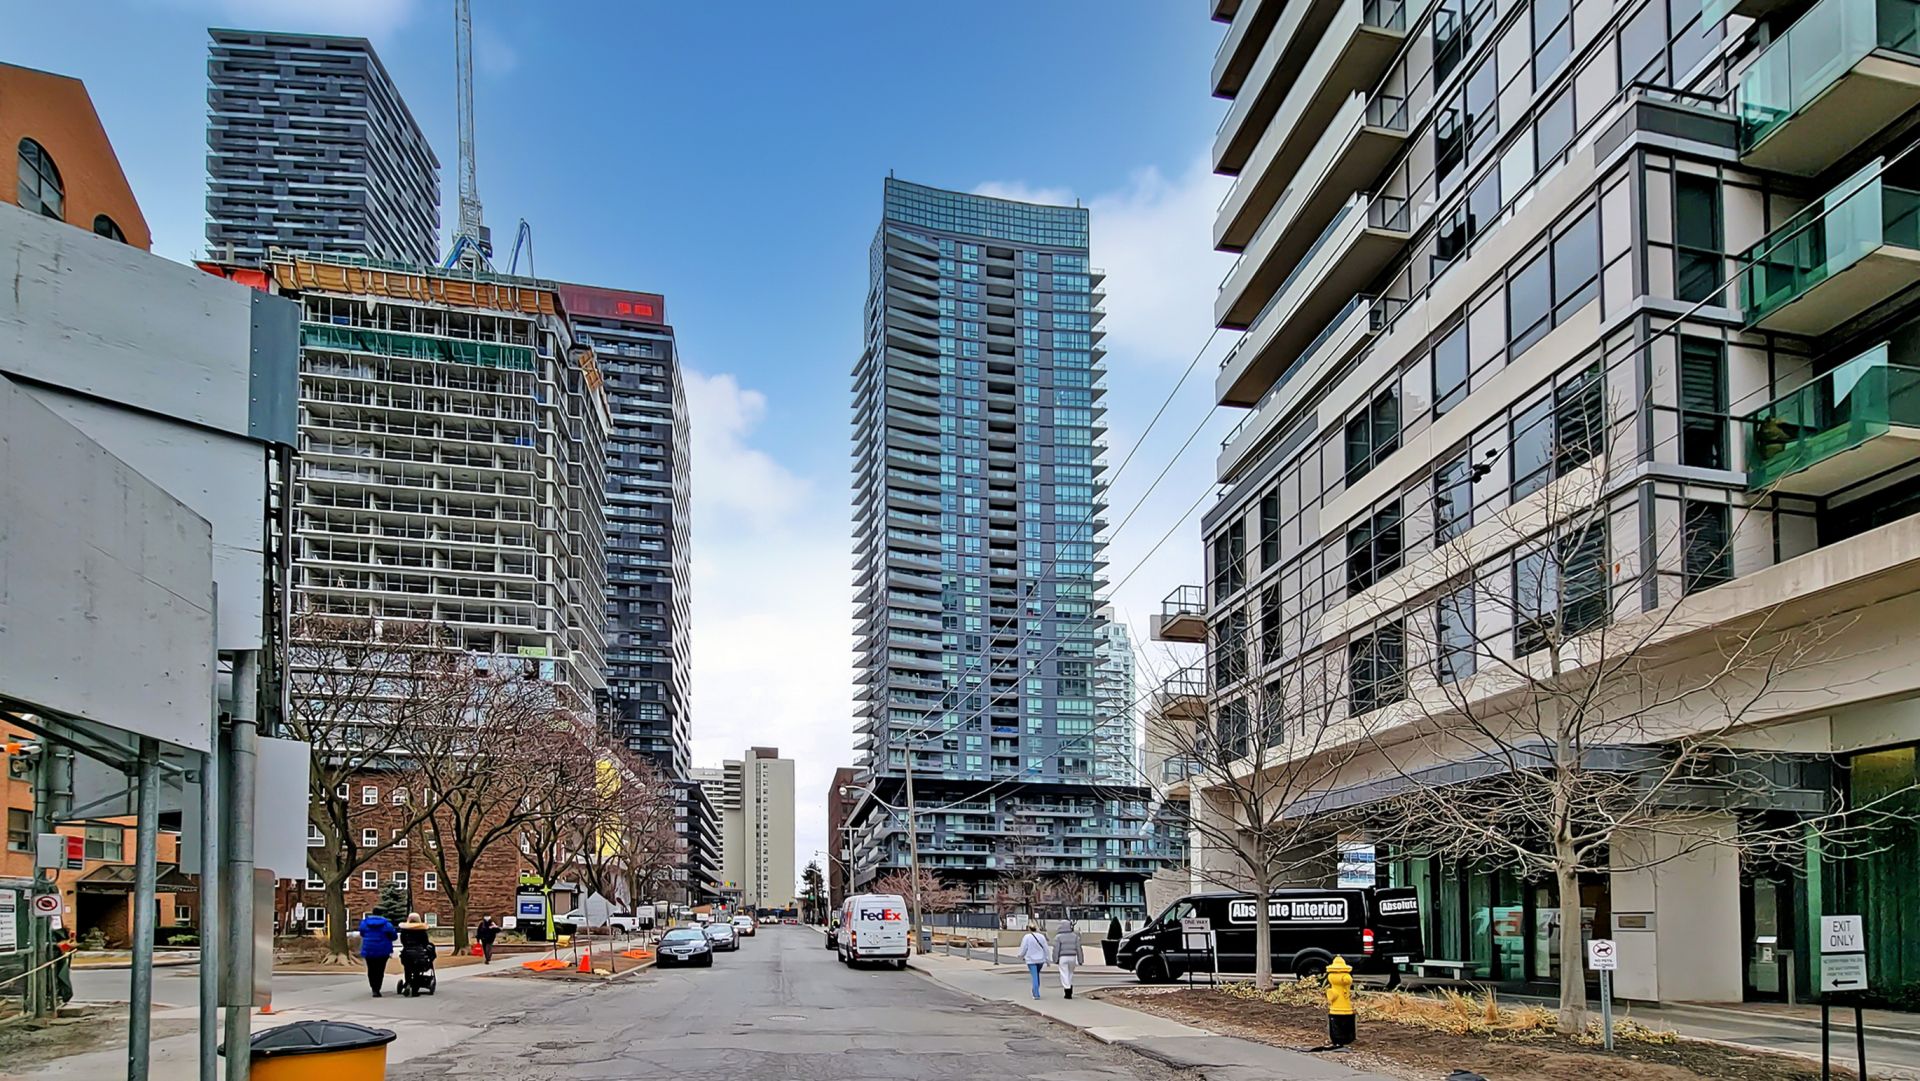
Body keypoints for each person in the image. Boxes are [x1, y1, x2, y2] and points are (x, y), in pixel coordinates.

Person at [357, 910, 398, 997]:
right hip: (383, 950)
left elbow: (362, 933)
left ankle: (373, 988)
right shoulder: (387, 924)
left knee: (371, 969)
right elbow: (394, 936)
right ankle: (377, 988)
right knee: (380, 970)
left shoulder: (364, 923)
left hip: (369, 949)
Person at [397, 912, 436, 996]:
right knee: (417, 970)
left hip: (406, 953)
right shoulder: (421, 931)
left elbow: (403, 942)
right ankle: (414, 990)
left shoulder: (404, 931)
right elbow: (425, 943)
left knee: (407, 968)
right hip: (419, 953)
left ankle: (408, 982)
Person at [1053, 919, 1084, 999]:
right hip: (1073, 957)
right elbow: (1079, 948)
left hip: (1063, 957)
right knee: (1070, 973)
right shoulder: (1075, 936)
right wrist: (1080, 960)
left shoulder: (1058, 937)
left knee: (1064, 973)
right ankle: (1069, 987)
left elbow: (1056, 949)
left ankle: (1067, 989)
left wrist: (1055, 959)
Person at [1019, 924, 1050, 1000]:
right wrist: (1047, 959)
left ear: (1029, 929)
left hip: (1031, 959)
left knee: (1034, 976)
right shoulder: (1041, 936)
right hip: (1040, 959)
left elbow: (1024, 947)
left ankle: (1036, 993)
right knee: (1037, 974)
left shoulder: (1027, 937)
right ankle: (1036, 989)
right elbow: (1046, 948)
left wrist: (1021, 955)